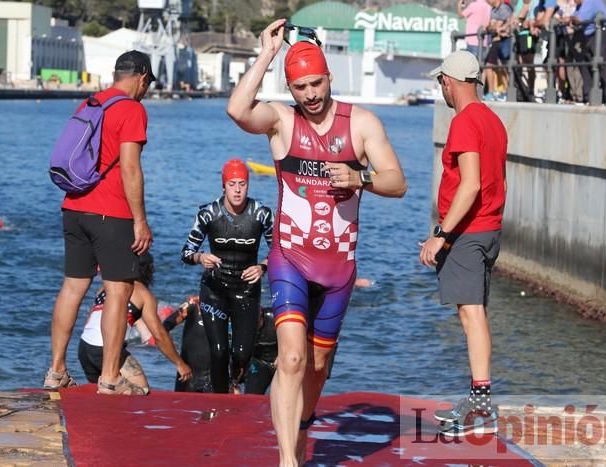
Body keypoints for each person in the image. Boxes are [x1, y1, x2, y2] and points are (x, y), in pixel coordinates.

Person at [226, 20, 407, 466]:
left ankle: (301, 431)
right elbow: (237, 110)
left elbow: (397, 182)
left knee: (317, 368)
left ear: (329, 77)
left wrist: (360, 178)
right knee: (289, 359)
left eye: (315, 83)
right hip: (290, 258)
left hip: (339, 269)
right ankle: (287, 459)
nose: (309, 94)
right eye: (300, 86)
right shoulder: (282, 120)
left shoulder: (361, 123)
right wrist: (266, 55)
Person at [44, 50, 155, 395]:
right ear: (140, 77)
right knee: (119, 290)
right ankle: (109, 378)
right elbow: (130, 168)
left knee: (72, 287)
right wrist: (141, 220)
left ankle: (56, 371)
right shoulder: (132, 108)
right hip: (111, 212)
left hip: (73, 206)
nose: (147, 89)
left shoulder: (91, 103)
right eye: (148, 83)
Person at [421, 50, 507, 437]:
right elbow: (495, 182)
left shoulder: (464, 122)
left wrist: (441, 235)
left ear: (449, 83)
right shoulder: (493, 120)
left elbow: (470, 184)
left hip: (468, 235)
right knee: (474, 314)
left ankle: (482, 403)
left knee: (472, 315)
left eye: (441, 82)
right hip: (488, 230)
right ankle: (479, 397)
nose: (441, 88)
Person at [181, 159, 274, 394]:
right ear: (224, 186)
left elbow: (281, 252)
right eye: (232, 184)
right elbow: (186, 253)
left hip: (246, 291)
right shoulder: (208, 213)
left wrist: (262, 267)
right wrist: (201, 258)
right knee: (219, 350)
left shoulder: (262, 214)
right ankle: (221, 399)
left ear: (248, 185)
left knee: (241, 355)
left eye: (242, 184)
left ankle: (233, 382)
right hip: (215, 290)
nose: (237, 190)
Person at [78, 254, 192, 392]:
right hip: (105, 349)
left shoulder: (106, 288)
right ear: (148, 271)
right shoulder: (142, 293)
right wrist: (179, 364)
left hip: (84, 347)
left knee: (103, 393)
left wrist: (174, 319)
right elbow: (159, 336)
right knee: (142, 391)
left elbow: (91, 322)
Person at [562, 0, 606, 104]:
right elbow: (575, 17)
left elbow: (579, 19)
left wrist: (569, 19)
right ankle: (588, 96)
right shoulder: (580, 6)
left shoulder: (590, 2)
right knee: (585, 64)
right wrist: (568, 19)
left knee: (601, 66)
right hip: (589, 35)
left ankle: (604, 97)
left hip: (602, 34)